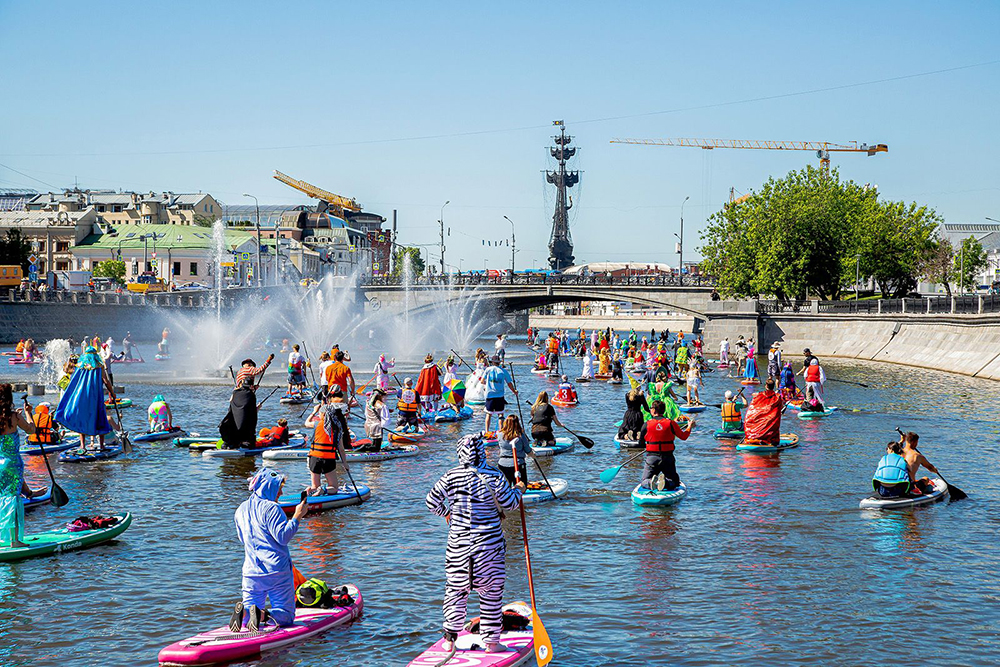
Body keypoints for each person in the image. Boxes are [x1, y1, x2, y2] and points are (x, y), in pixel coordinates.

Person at [425, 435, 524, 654]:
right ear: (482, 451)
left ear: (460, 453)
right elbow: (509, 504)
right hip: (489, 547)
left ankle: (450, 640)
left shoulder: (450, 476)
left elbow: (431, 501)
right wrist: (519, 488)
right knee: (490, 594)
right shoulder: (494, 475)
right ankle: (491, 643)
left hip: (458, 547)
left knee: (455, 592)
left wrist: (448, 513)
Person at [232, 469, 308, 631]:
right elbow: (283, 537)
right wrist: (297, 516)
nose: (281, 492)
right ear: (268, 487)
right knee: (286, 616)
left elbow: (242, 538)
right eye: (279, 487)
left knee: (250, 613)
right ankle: (262, 615)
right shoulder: (272, 508)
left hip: (251, 572)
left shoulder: (241, 509)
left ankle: (246, 613)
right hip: (276, 571)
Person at [54, 345, 116, 451]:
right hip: (96, 397)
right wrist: (112, 393)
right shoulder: (99, 365)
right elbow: (106, 381)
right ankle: (101, 446)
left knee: (81, 418)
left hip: (81, 398)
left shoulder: (80, 366)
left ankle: (82, 446)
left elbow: (74, 382)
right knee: (99, 418)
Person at [1, 384, 38, 547]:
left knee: (2, 498)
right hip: (13, 464)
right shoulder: (14, 416)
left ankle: (3, 538)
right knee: (13, 499)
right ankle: (15, 541)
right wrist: (29, 413)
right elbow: (31, 430)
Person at [303, 390, 351, 494]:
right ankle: (323, 490)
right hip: (328, 459)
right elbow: (341, 449)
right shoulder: (337, 428)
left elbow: (306, 423)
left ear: (322, 414)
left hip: (313, 457)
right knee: (334, 487)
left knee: (314, 485)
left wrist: (313, 412)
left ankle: (311, 490)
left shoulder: (316, 424)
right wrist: (345, 463)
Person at [637, 400, 693, 489]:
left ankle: (651, 483)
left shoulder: (646, 425)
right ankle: (665, 483)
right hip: (668, 458)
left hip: (652, 458)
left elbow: (640, 444)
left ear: (654, 411)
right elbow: (684, 436)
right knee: (674, 481)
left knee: (644, 481)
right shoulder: (671, 423)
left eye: (651, 408)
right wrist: (689, 427)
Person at [220, 376, 262, 448]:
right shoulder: (251, 395)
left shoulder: (235, 392)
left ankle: (228, 443)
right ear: (251, 386)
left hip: (227, 429)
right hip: (243, 434)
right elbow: (252, 414)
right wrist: (258, 408)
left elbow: (233, 405)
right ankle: (244, 444)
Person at [480, 356, 516, 435]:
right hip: (499, 395)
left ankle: (487, 431)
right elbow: (509, 383)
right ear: (499, 362)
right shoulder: (503, 371)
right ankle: (501, 431)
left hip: (489, 395)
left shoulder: (488, 369)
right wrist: (514, 391)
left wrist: (489, 383)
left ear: (492, 362)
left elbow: (482, 381)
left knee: (488, 414)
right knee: (500, 414)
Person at [743, 378, 785, 444]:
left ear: (766, 386)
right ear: (773, 386)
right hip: (769, 426)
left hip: (766, 422)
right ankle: (768, 438)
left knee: (772, 419)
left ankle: (759, 437)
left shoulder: (758, 395)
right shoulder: (778, 397)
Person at [497, 414, 530, 486]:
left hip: (502, 464)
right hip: (517, 464)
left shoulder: (499, 434)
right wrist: (534, 456)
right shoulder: (521, 435)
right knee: (522, 486)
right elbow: (528, 450)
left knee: (505, 486)